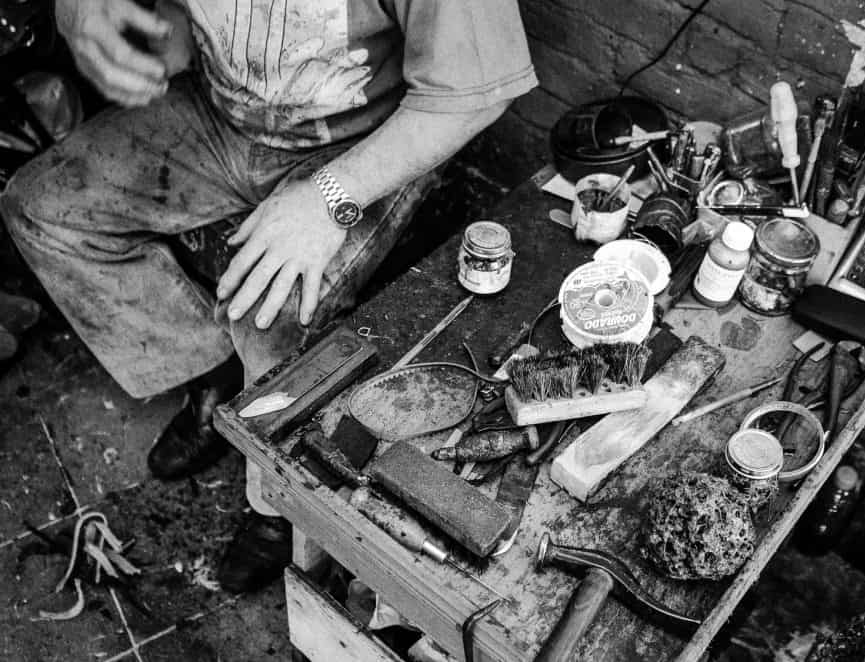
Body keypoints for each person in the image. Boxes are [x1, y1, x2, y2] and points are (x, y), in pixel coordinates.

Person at [0, 0, 536, 592]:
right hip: (218, 112)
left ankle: (277, 510)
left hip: (358, 143)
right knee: (44, 208)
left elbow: (478, 92)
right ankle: (214, 377)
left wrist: (329, 196)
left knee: (266, 317)